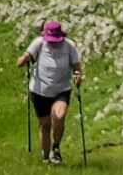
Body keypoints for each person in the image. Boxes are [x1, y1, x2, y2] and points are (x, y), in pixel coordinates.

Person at [20, 18, 83, 164]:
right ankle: (45, 157)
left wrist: (78, 76)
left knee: (59, 116)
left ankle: (56, 148)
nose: (53, 43)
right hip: (39, 91)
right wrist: (24, 59)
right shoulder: (39, 43)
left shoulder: (69, 46)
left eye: (56, 40)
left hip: (61, 89)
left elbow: (76, 67)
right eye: (51, 40)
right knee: (45, 125)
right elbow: (23, 59)